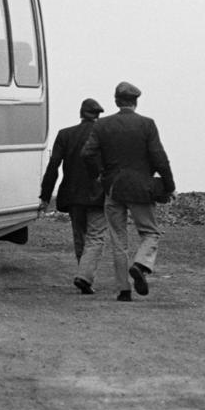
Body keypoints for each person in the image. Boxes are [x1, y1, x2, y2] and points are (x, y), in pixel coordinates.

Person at [82, 81, 175, 301]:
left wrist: (100, 174)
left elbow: (87, 153)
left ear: (116, 101)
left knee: (118, 240)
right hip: (142, 189)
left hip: (113, 189)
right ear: (135, 101)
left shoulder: (102, 125)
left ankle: (124, 290)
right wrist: (169, 185)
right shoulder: (147, 125)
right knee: (150, 232)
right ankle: (141, 265)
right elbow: (159, 158)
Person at [39, 98, 108, 294]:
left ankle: (83, 274)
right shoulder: (102, 135)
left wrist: (45, 195)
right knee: (96, 237)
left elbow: (53, 167)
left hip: (73, 194)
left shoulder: (65, 135)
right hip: (97, 194)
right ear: (98, 115)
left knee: (80, 236)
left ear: (80, 113)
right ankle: (84, 277)